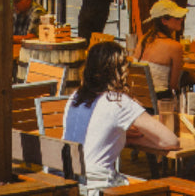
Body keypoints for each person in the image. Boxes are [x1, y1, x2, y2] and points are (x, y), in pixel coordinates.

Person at [63, 41, 179, 194]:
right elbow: (171, 141)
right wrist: (127, 137)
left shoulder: (75, 97)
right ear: (120, 71)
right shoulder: (118, 102)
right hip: (99, 189)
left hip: (69, 185)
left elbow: (91, 134)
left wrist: (122, 136)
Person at [133, 0, 187, 99]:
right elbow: (173, 86)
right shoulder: (175, 47)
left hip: (138, 98)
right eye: (177, 17)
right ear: (164, 21)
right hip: (160, 100)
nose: (181, 19)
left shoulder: (144, 39)